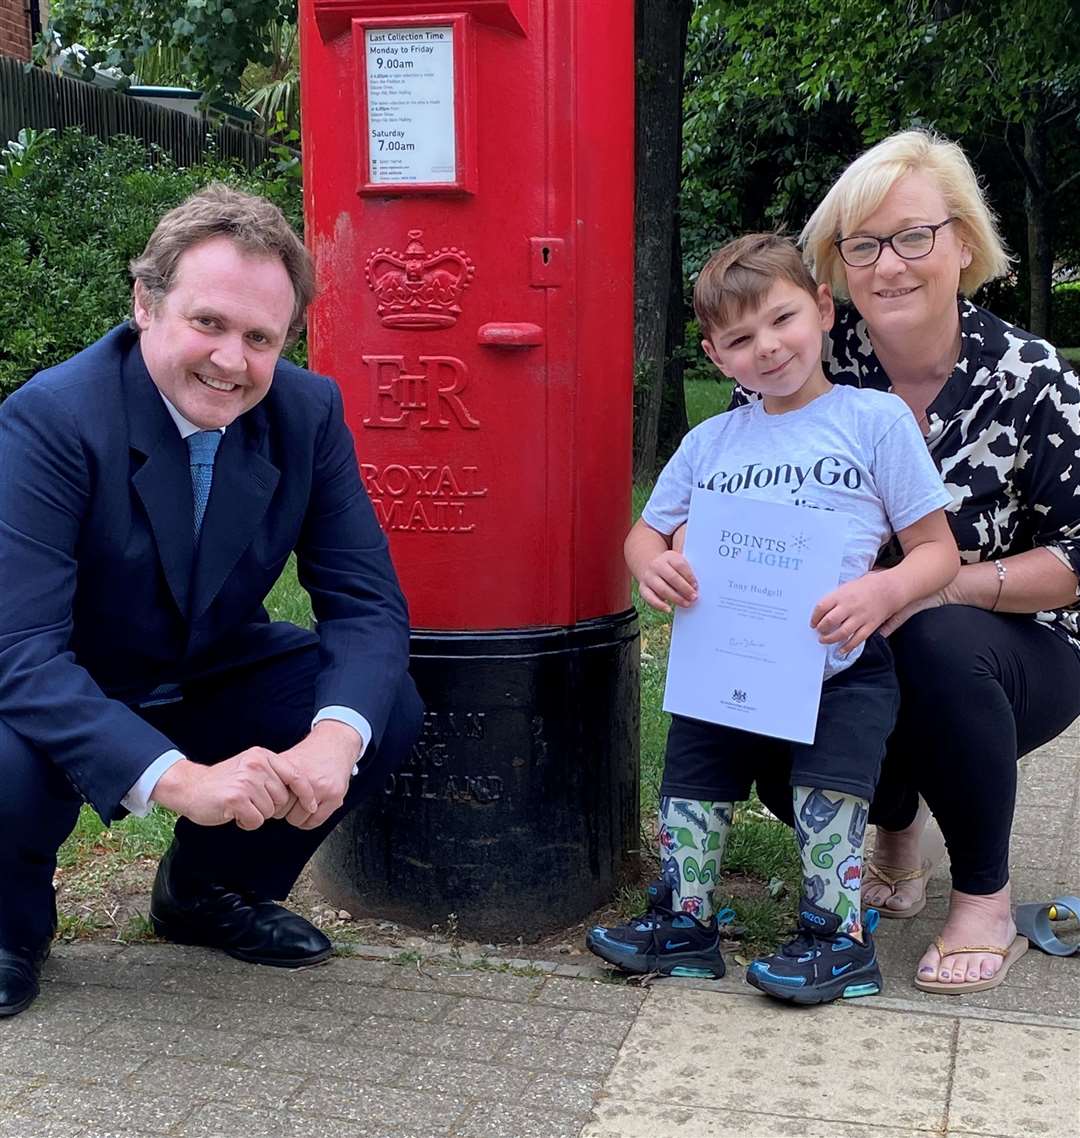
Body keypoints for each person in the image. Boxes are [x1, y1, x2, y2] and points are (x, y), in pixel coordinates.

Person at [0, 184, 423, 1018]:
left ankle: (205, 892)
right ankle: (10, 929)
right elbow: (20, 653)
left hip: (202, 664)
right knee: (5, 763)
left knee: (379, 708)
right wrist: (178, 780)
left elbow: (366, 606)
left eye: (261, 338)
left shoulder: (306, 413)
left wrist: (334, 743)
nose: (232, 360)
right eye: (209, 323)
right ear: (145, 303)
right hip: (64, 676)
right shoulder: (49, 419)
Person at [586, 233, 959, 1004]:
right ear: (716, 357)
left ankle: (836, 937)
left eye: (783, 320)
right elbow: (645, 531)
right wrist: (650, 562)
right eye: (740, 339)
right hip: (725, 657)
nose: (768, 347)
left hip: (840, 659)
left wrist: (884, 593)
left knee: (829, 794)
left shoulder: (874, 421)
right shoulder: (710, 440)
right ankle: (685, 922)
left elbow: (936, 551)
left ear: (823, 309)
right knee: (693, 781)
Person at [778, 129, 1080, 994]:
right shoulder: (808, 364)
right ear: (836, 265)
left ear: (963, 245)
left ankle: (984, 897)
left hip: (1013, 643)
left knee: (934, 641)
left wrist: (941, 583)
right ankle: (895, 836)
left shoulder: (1031, 377)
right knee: (759, 690)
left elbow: (1077, 555)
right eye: (861, 245)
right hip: (845, 636)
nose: (890, 265)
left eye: (914, 236)